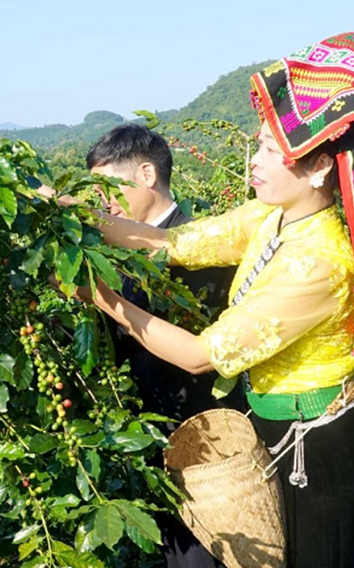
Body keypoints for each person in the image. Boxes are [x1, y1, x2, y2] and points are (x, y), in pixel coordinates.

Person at [56, 33, 354, 567]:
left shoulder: (319, 262)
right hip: (276, 433)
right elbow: (171, 242)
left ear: (317, 168)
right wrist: (65, 210)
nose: (255, 161)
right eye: (260, 143)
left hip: (326, 452)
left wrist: (105, 300)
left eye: (271, 150)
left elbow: (202, 353)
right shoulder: (269, 217)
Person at [82, 124, 239, 568]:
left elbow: (197, 351)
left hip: (207, 442)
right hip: (152, 440)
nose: (103, 203)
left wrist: (99, 296)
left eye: (107, 187)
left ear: (147, 174)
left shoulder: (202, 243)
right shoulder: (111, 251)